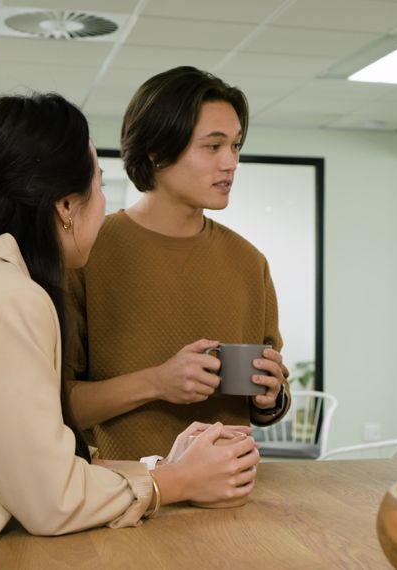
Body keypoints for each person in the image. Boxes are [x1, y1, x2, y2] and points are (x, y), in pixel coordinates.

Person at [0, 94, 259, 569]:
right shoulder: (10, 300)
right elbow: (48, 497)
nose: (229, 163)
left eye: (235, 146)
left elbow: (31, 460)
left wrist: (162, 468)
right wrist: (174, 482)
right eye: (98, 187)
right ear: (66, 206)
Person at [64, 66, 289, 460]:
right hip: (121, 498)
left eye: (235, 145)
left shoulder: (249, 263)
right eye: (213, 146)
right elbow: (58, 406)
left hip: (229, 493)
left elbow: (268, 401)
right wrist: (157, 382)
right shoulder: (87, 254)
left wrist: (270, 397)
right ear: (156, 152)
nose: (231, 162)